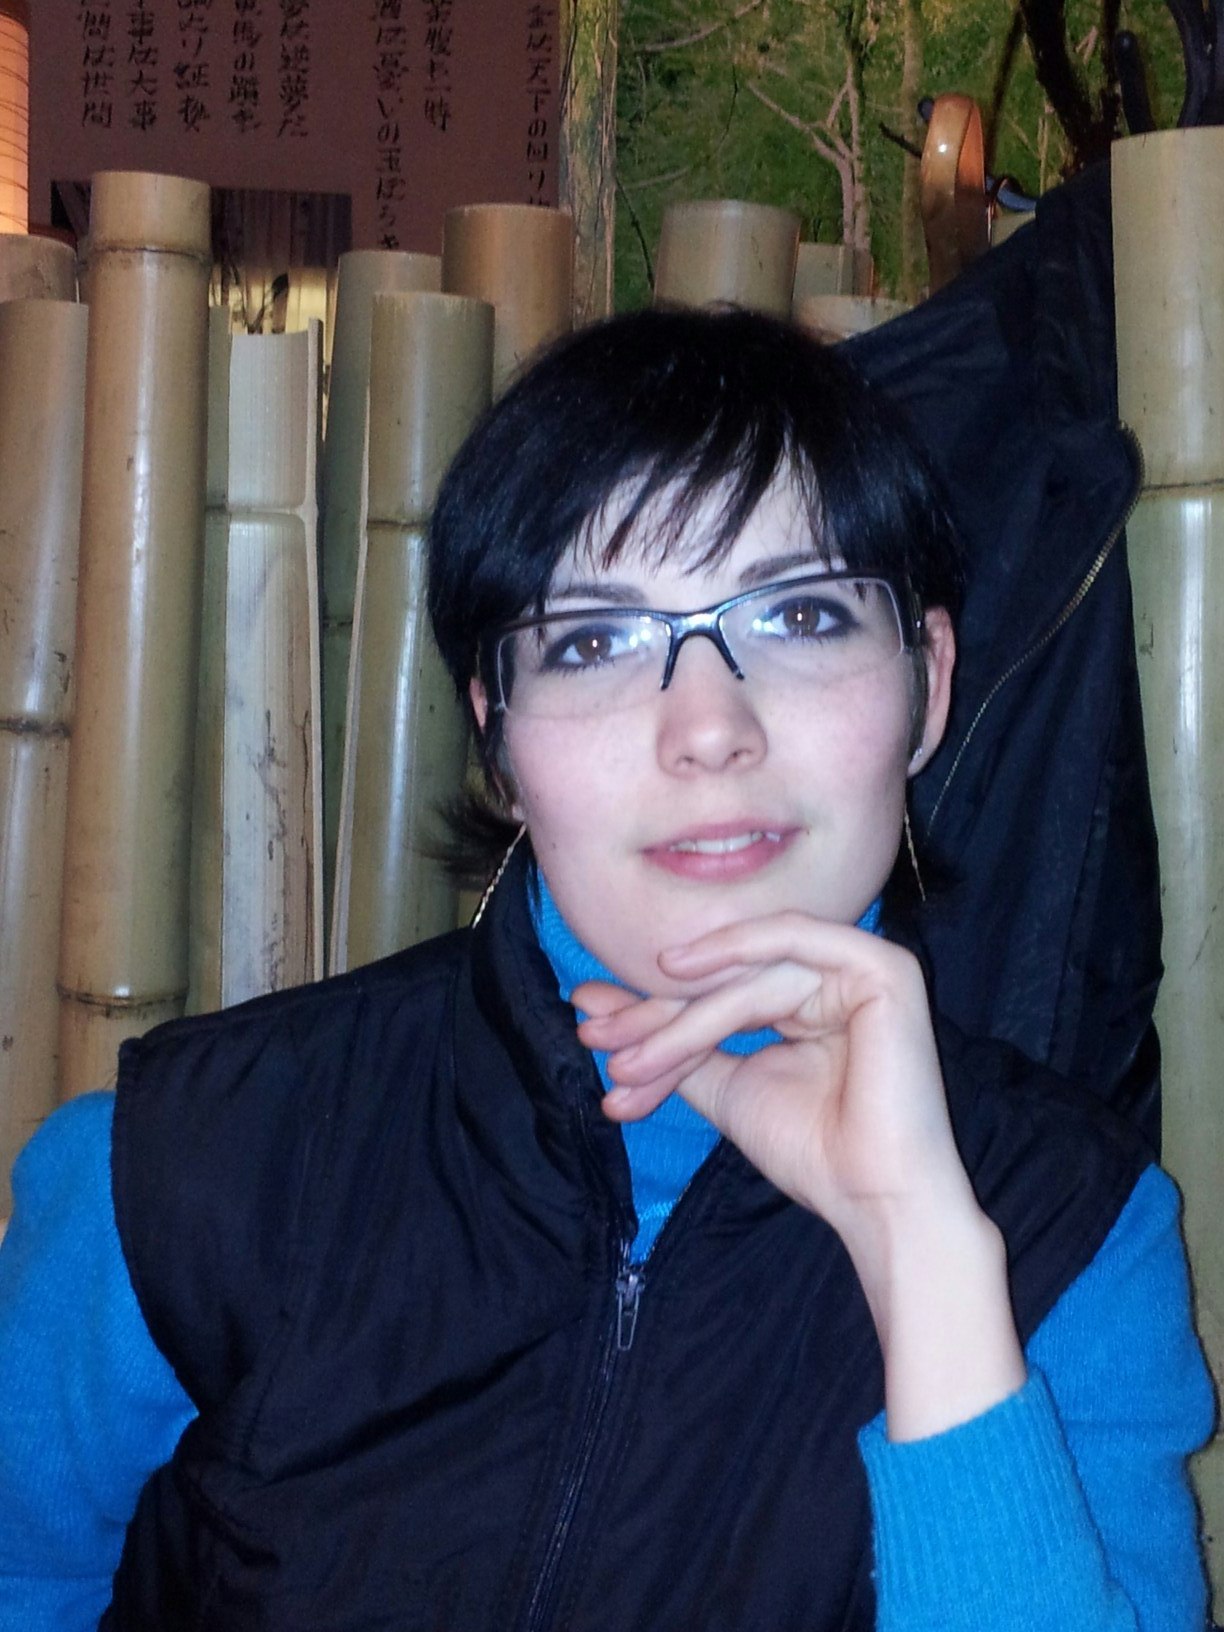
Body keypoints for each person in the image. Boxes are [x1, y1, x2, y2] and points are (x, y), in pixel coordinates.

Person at [0, 307, 1212, 1631]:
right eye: (594, 640)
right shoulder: (188, 1167)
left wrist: (921, 1248)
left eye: (802, 614)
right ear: (498, 739)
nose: (709, 726)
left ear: (926, 685)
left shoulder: (1079, 1238)